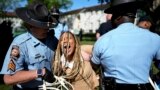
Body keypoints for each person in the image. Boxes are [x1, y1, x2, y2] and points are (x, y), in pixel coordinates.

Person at [91, 0, 160, 90]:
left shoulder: (103, 40)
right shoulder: (155, 38)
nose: (111, 18)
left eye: (113, 15)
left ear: (118, 16)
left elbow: (93, 66)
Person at [0, 2, 58, 90]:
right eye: (42, 25)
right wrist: (40, 72)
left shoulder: (52, 40)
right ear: (31, 25)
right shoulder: (19, 44)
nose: (47, 28)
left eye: (47, 25)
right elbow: (8, 78)